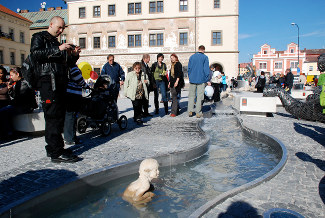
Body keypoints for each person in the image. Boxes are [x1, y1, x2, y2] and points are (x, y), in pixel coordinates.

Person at [30, 16, 80, 163]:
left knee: (58, 116)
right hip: (48, 83)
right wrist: (58, 48)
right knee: (52, 117)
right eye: (59, 27)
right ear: (51, 24)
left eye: (63, 28)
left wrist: (74, 55)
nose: (61, 30)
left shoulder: (55, 42)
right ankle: (55, 152)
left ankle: (57, 147)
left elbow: (65, 64)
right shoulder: (39, 37)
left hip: (59, 83)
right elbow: (36, 54)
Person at [0, 67, 37, 138]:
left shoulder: (23, 83)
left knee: (2, 112)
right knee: (5, 110)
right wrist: (10, 90)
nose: (10, 77)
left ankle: (9, 133)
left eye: (12, 75)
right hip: (22, 105)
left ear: (17, 74)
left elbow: (20, 98)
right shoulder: (19, 83)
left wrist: (11, 102)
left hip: (26, 106)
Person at [64, 65, 87, 145]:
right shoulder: (72, 66)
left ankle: (72, 136)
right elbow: (78, 78)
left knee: (73, 116)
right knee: (71, 116)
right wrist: (85, 85)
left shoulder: (71, 65)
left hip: (73, 93)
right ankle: (69, 138)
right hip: (72, 94)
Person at [187, 45, 210, 118]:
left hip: (192, 79)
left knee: (191, 96)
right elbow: (206, 69)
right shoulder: (205, 57)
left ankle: (190, 111)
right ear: (203, 50)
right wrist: (207, 79)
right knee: (200, 97)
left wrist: (190, 77)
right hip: (201, 79)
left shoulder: (192, 57)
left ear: (198, 49)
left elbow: (189, 68)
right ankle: (198, 112)